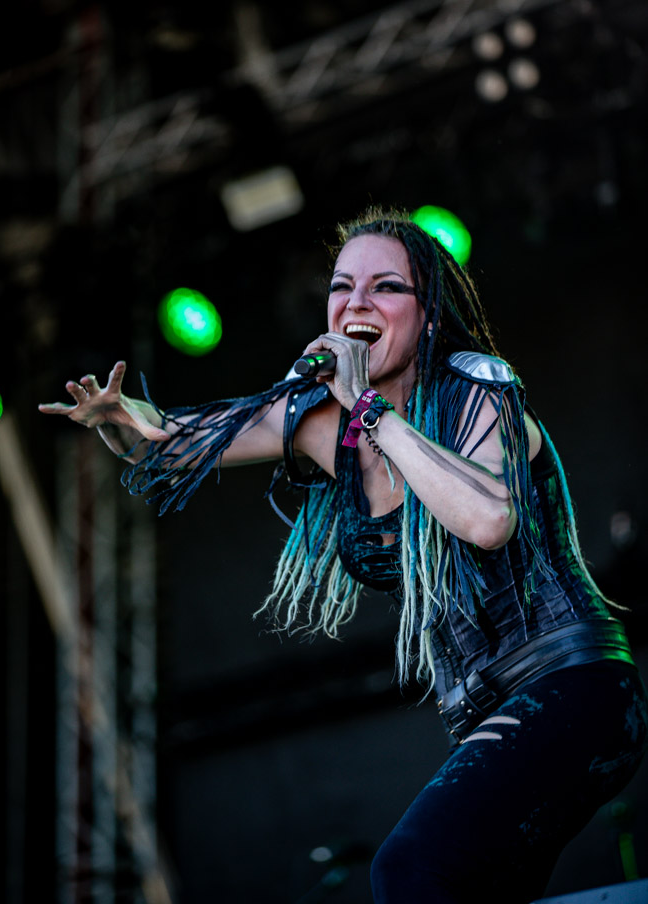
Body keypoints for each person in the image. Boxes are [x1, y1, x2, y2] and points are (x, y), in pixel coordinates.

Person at [39, 208, 648, 903]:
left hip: (576, 687)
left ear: (428, 316)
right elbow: (170, 442)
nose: (356, 302)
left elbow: (487, 521)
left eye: (384, 286)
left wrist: (365, 404)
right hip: (486, 715)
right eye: (341, 287)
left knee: (408, 868)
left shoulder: (476, 387)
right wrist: (119, 422)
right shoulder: (323, 424)